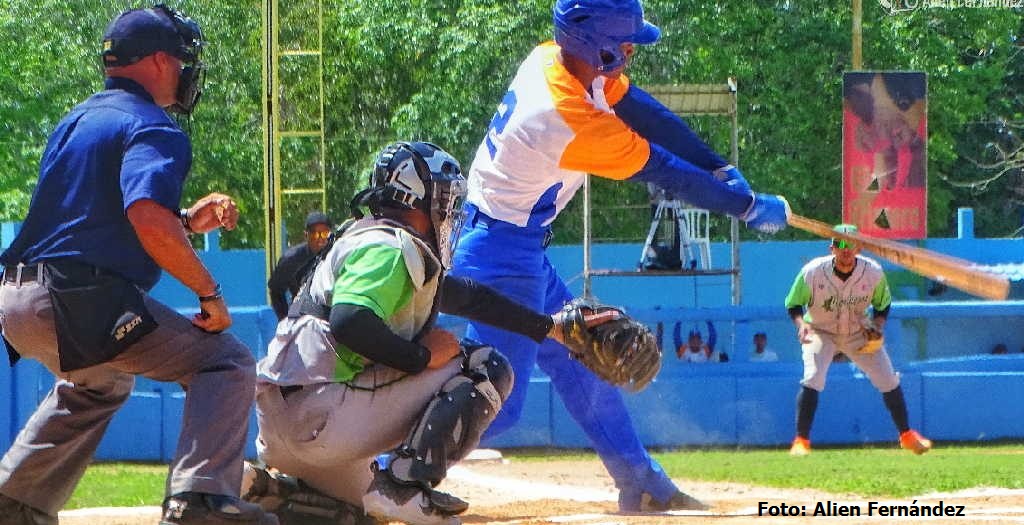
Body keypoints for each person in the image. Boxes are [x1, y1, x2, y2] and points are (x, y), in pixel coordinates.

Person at [448, 0, 790, 512]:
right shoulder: (565, 117)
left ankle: (642, 482)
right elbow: (664, 171)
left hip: (514, 245)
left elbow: (642, 110)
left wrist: (717, 166)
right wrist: (745, 207)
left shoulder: (553, 59)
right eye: (625, 42)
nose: (632, 50)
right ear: (597, 44)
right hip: (499, 254)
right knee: (496, 402)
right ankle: (374, 468)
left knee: (583, 361)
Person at [0, 5, 277, 525]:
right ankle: (200, 501)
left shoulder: (78, 119)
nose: (185, 71)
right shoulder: (154, 126)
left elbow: (88, 218)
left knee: (100, 383)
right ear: (157, 60)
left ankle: (14, 503)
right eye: (180, 59)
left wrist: (184, 221)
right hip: (76, 299)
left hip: (17, 300)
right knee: (225, 361)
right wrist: (209, 294)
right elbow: (146, 218)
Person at [244, 141, 611, 525]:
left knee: (351, 513)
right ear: (414, 198)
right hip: (323, 416)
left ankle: (260, 487)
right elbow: (349, 319)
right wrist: (420, 357)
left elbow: (469, 298)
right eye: (444, 198)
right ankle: (405, 486)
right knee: (484, 365)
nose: (449, 210)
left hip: (286, 426)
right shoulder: (389, 247)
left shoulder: (364, 237)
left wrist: (550, 327)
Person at [784, 224, 932, 457]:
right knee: (813, 377)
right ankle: (801, 440)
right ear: (832, 248)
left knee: (888, 378)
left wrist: (878, 326)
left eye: (851, 243)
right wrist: (801, 324)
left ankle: (906, 435)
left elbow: (883, 305)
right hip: (821, 330)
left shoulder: (872, 272)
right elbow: (793, 303)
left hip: (857, 331)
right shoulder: (812, 272)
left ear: (859, 247)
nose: (846, 249)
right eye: (841, 243)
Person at [267, 211, 333, 320]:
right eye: (314, 233)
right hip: (303, 316)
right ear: (306, 235)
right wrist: (285, 319)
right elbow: (276, 289)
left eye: (324, 233)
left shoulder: (336, 254)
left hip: (330, 315)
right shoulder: (292, 259)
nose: (320, 238)